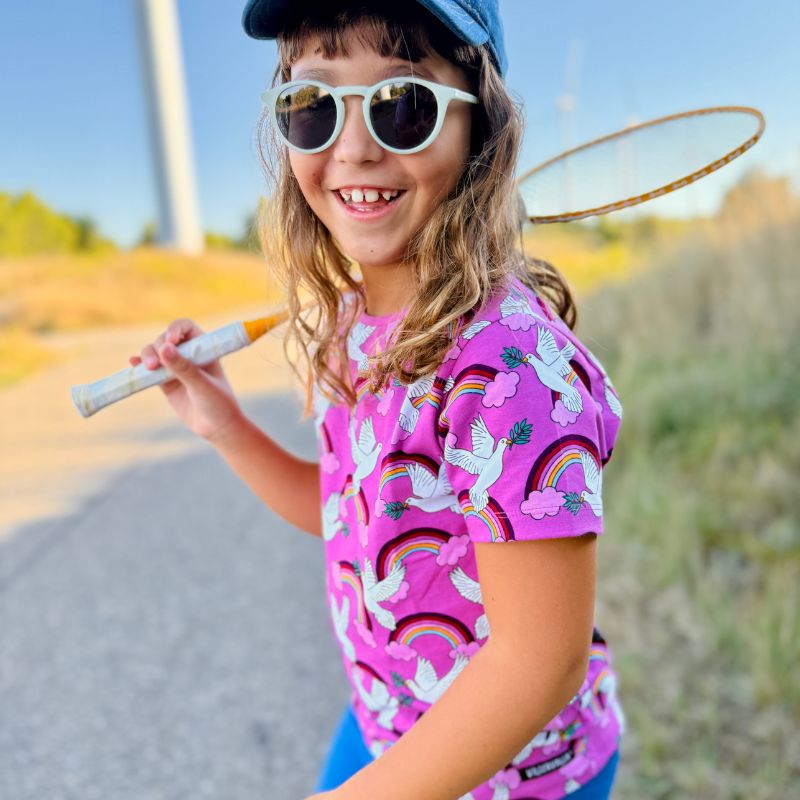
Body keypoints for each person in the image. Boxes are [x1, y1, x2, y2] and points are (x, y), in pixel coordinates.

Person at [130, 1, 626, 797]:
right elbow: (347, 510)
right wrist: (224, 425)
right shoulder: (352, 322)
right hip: (385, 722)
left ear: (478, 131)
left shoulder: (511, 368)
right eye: (313, 106)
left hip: (516, 772)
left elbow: (540, 665)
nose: (353, 147)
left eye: (403, 105)